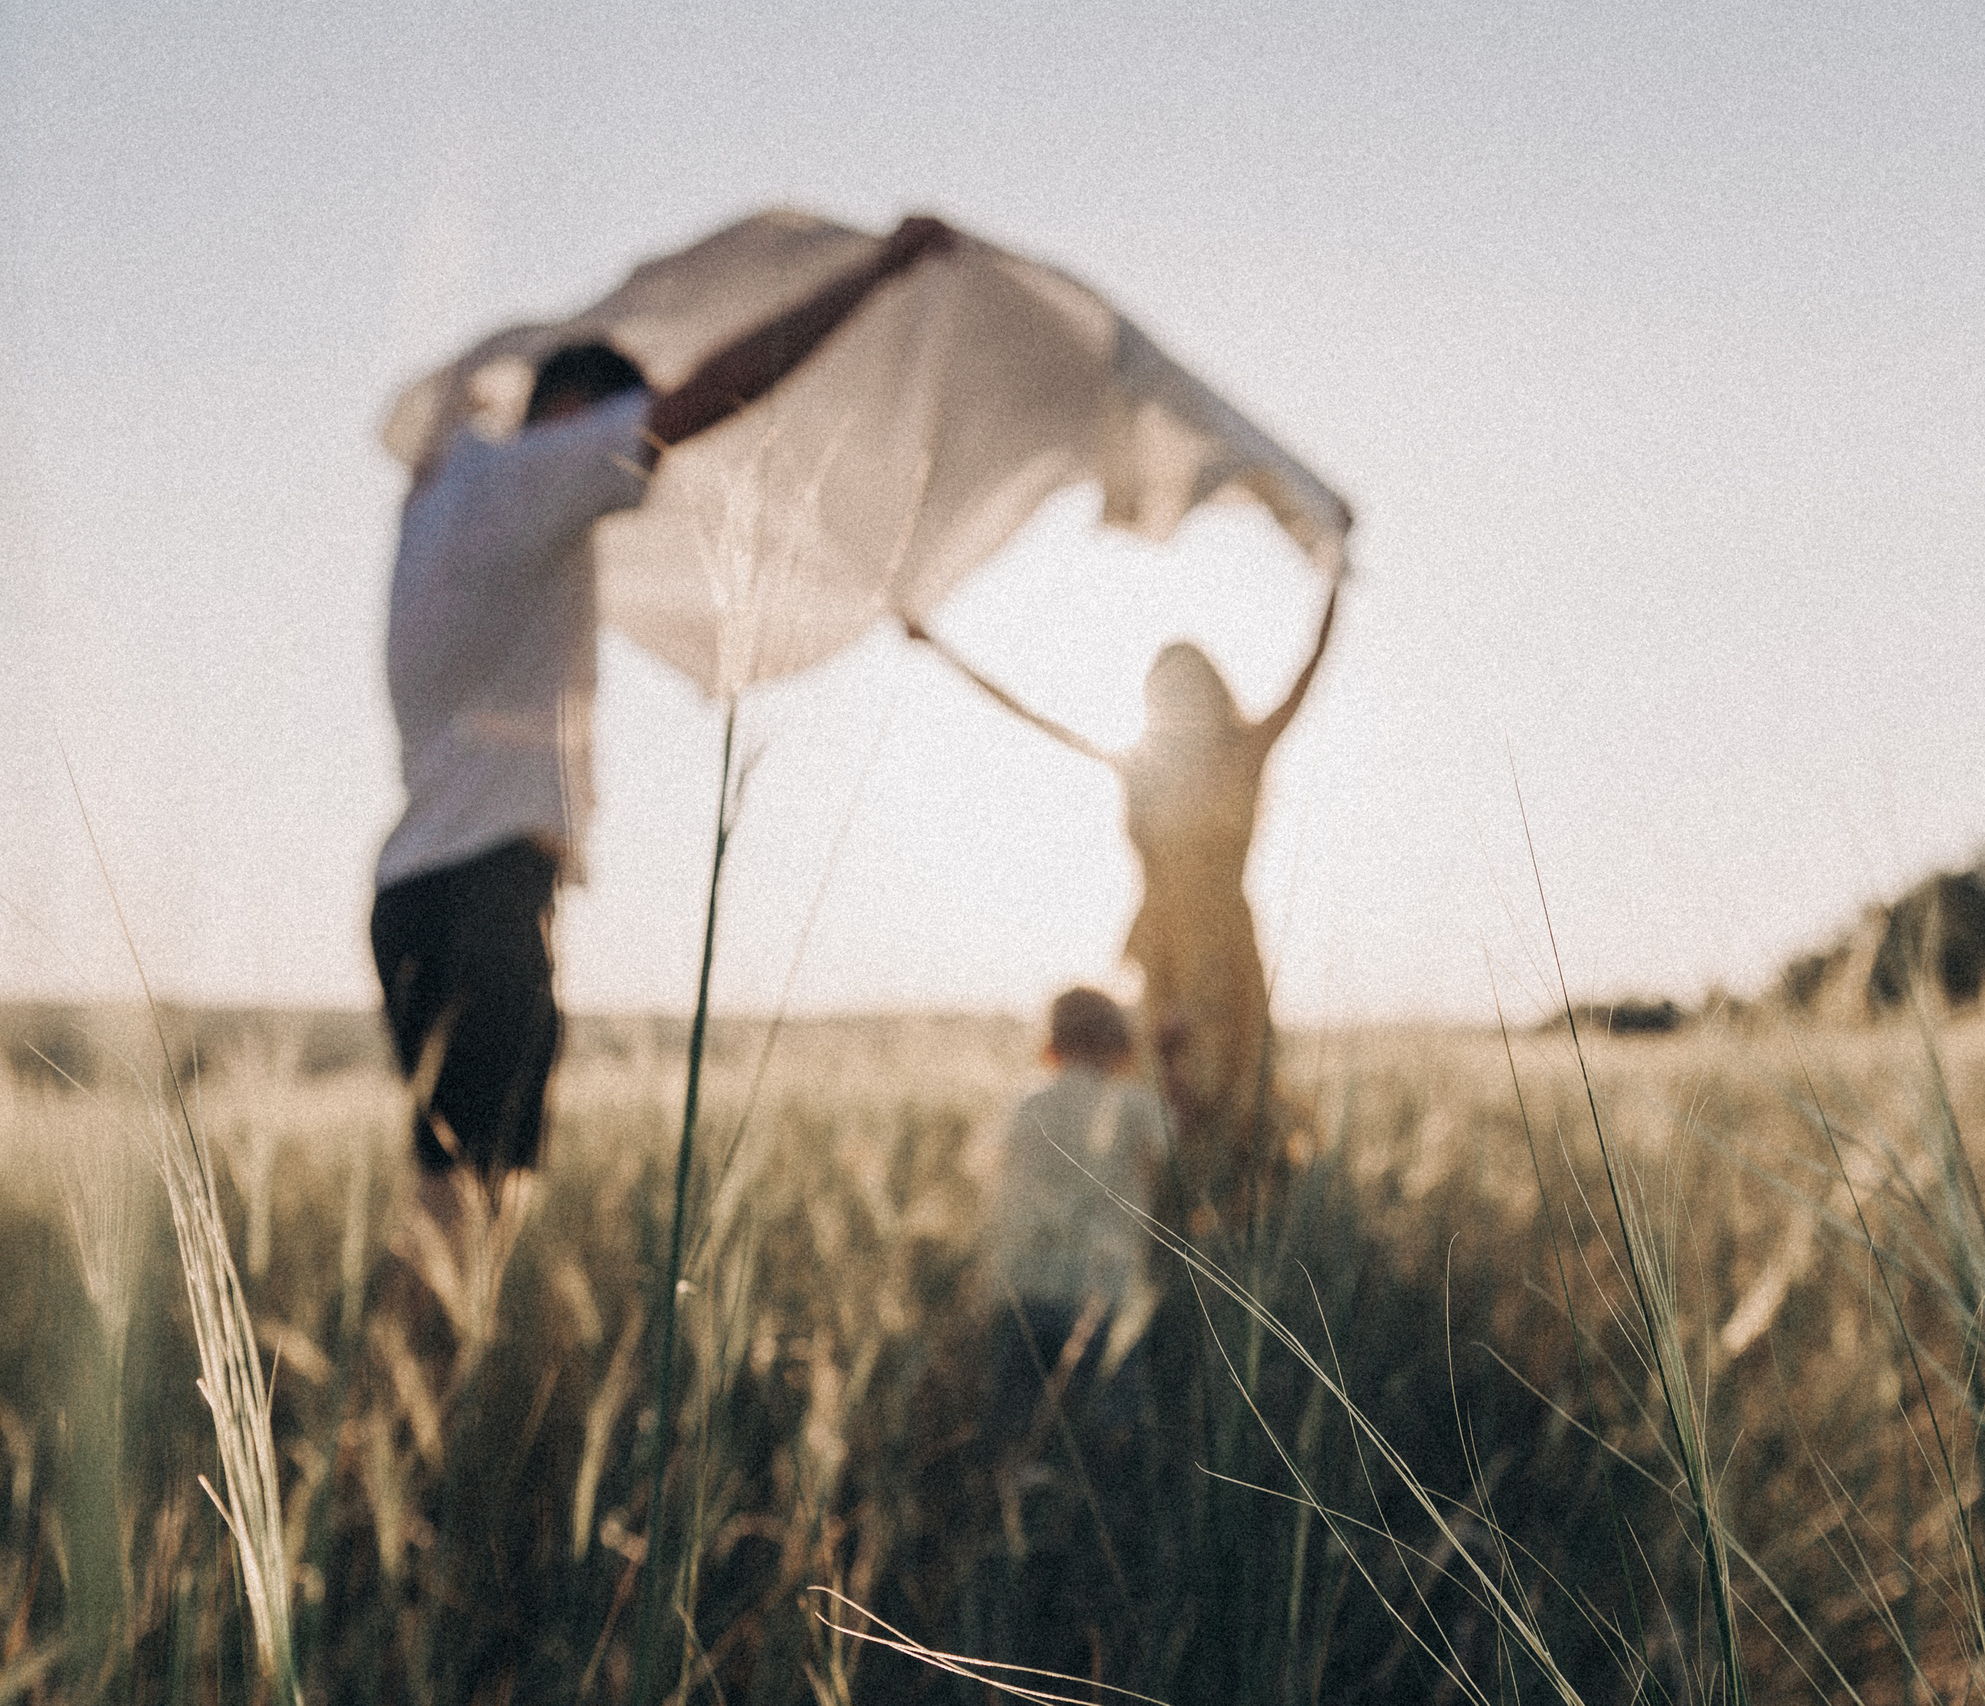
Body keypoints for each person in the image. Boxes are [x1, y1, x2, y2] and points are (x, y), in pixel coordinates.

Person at [372, 215, 956, 1230]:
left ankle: (418, 1381)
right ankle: (442, 1382)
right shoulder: (536, 470)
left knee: (443, 1180)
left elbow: (451, 400)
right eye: (613, 414)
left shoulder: (439, 486)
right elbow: (709, 395)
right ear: (573, 410)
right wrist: (876, 272)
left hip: (410, 887)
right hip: (490, 882)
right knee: (480, 1201)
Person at [906, 581, 1339, 1213]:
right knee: (1159, 1092)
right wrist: (943, 649)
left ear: (1213, 691)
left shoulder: (1243, 752)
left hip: (1221, 953)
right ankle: (1163, 1241)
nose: (1176, 701)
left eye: (1187, 687)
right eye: (1164, 692)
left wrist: (1334, 582)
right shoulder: (1143, 766)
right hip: (1158, 953)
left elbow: (1307, 674)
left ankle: (1236, 1245)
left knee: (1228, 1091)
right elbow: (1034, 713)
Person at [983, 987, 1170, 1461]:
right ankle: (1088, 1513)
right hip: (1100, 1293)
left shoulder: (1027, 1104)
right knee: (1104, 1434)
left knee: (1017, 1426)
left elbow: (991, 1171)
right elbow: (1172, 1151)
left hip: (1021, 1291)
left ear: (1051, 1045)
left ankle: (1017, 1501)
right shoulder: (1135, 1106)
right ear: (1121, 1045)